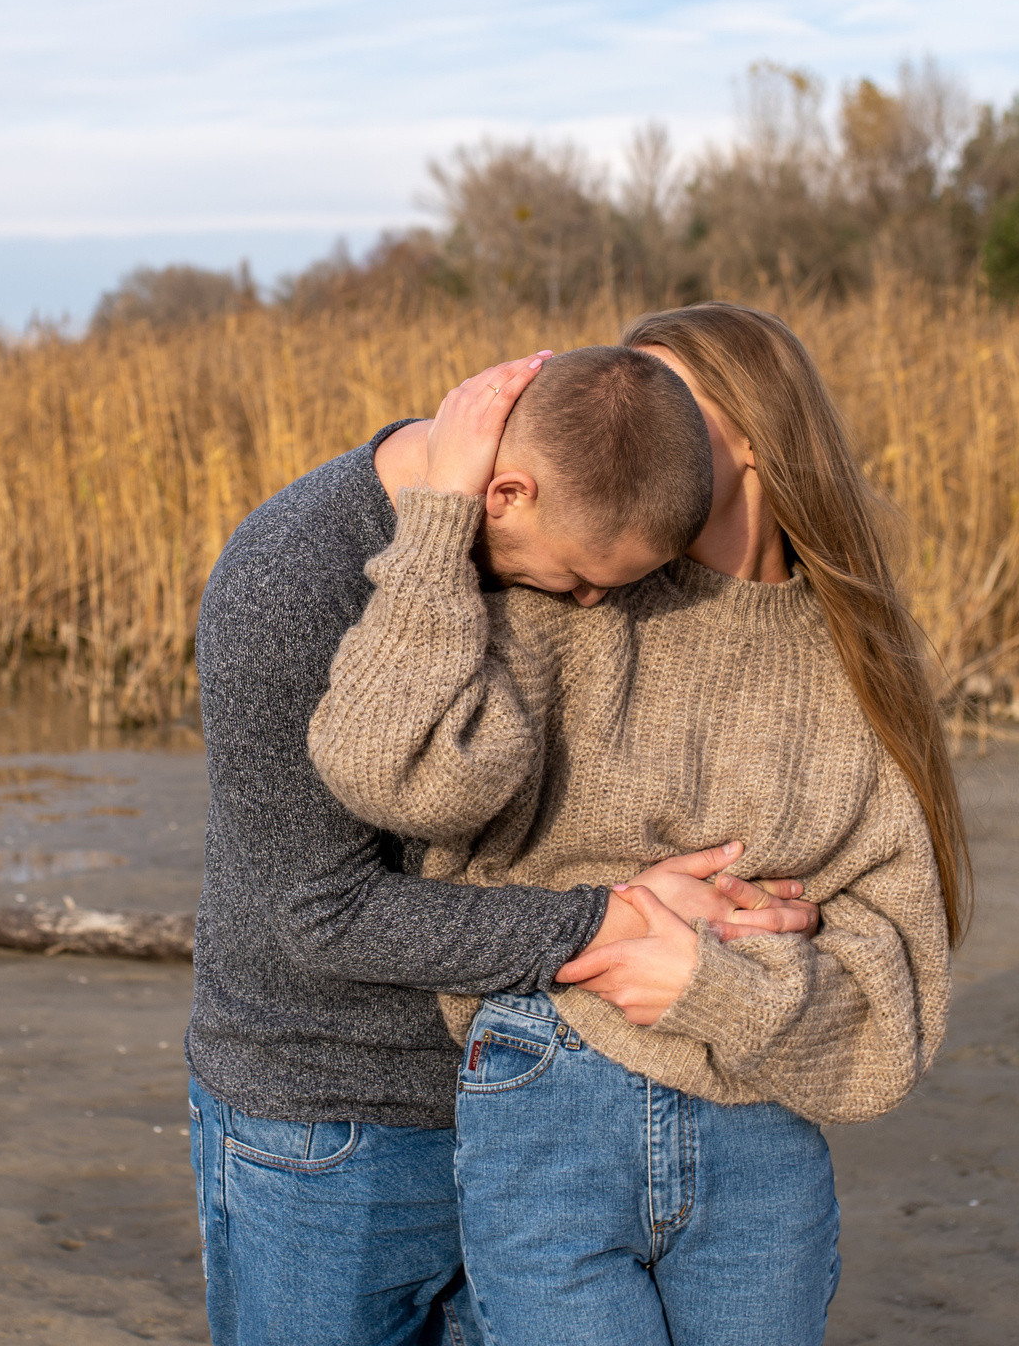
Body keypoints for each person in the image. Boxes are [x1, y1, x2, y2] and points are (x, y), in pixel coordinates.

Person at [308, 301, 971, 1346]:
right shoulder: (555, 602)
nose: (640, 434)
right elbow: (388, 776)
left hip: (763, 1124)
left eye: (675, 404)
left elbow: (895, 1018)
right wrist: (438, 521)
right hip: (546, 1091)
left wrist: (711, 981)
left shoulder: (861, 665)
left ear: (756, 440)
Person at [186, 343, 823, 1346]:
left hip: (529, 1114)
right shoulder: (292, 579)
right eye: (576, 580)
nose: (587, 606)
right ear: (505, 494)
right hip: (324, 1124)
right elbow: (320, 913)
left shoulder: (555, 523)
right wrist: (616, 915)